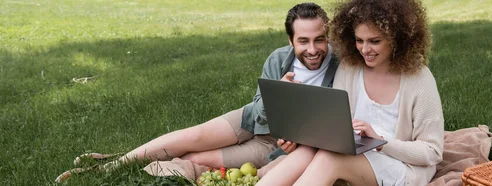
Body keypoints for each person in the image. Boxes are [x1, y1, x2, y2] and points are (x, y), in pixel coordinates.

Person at [55, 2, 338, 182]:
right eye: (303, 41)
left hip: (276, 145)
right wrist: (281, 95)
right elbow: (258, 106)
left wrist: (295, 139)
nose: (312, 50)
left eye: (319, 40)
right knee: (193, 136)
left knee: (195, 157)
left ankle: (142, 163)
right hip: (254, 120)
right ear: (291, 40)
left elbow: (331, 127)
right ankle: (110, 165)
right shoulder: (279, 58)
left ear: (328, 37)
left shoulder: (339, 66)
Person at [257, 0, 444, 185]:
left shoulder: (419, 78)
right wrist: (299, 138)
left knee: (329, 159)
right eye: (359, 40)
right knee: (308, 151)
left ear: (396, 38)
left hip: (402, 164)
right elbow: (333, 127)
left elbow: (432, 152)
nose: (365, 49)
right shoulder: (350, 68)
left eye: (375, 41)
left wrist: (381, 141)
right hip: (355, 154)